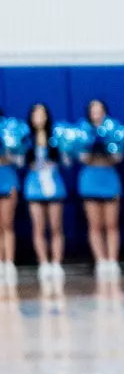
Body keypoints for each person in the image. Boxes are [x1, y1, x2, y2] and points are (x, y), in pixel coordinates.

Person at [76, 99, 124, 281]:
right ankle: (100, 261)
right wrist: (91, 149)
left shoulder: (114, 132)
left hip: (109, 177)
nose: (97, 113)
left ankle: (113, 260)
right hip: (90, 179)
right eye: (93, 110)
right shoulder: (83, 133)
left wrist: (107, 149)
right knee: (95, 224)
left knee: (111, 223)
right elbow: (81, 157)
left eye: (100, 109)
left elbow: (118, 157)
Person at [23, 104, 67, 291]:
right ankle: (43, 263)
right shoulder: (25, 139)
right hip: (35, 184)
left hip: (53, 183)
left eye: (42, 113)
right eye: (35, 114)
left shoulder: (56, 137)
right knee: (38, 226)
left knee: (56, 226)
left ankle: (56, 263)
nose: (39, 117)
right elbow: (19, 160)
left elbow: (65, 159)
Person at [0, 114, 23, 287]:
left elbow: (19, 159)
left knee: (7, 223)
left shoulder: (9, 130)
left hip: (7, 178)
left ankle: (9, 262)